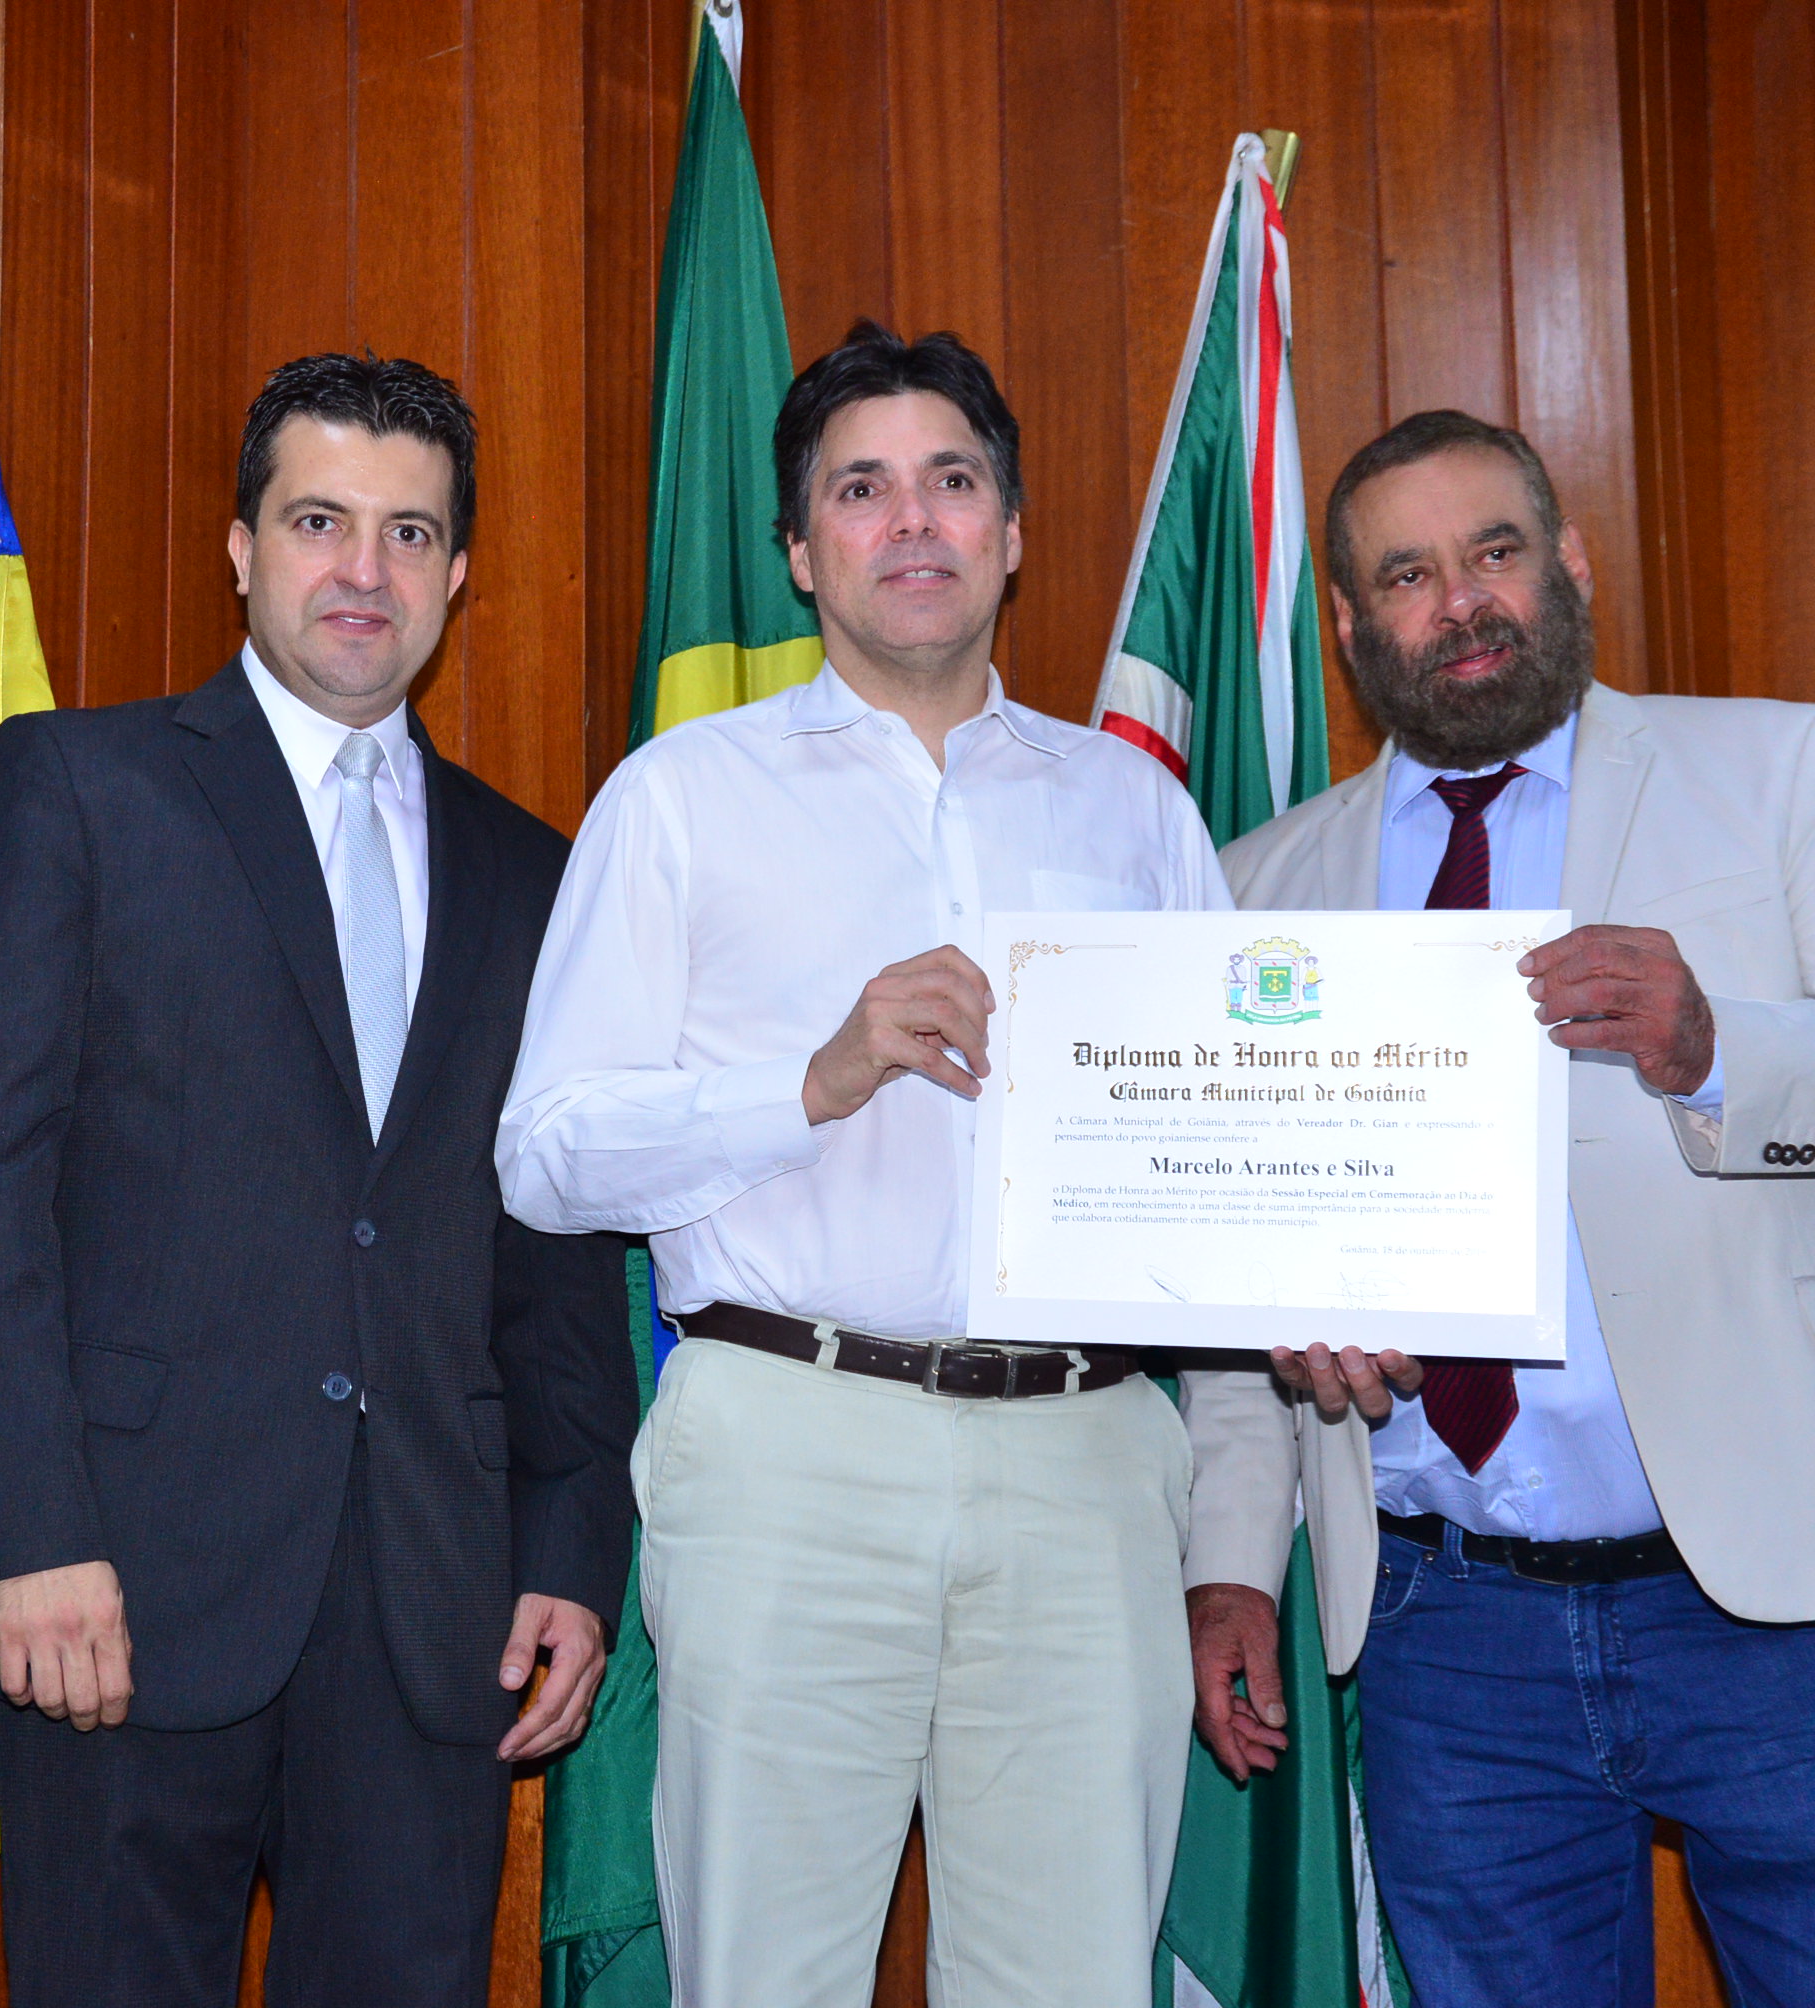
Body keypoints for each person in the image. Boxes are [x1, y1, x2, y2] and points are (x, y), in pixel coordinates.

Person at [1185, 409, 1815, 2005]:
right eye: (1408, 576)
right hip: (1447, 1632)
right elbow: (1236, 1277)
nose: (1461, 601)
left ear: (1568, 560)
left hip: (1784, 1598)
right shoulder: (1256, 886)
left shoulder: (1773, 767)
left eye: (1494, 550)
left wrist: (1718, 1046)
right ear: (1350, 626)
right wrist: (1229, 1556)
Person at [0, 352, 637, 2008]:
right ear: (241, 548)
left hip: (434, 1611)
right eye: (319, 521)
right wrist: (29, 1535)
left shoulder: (533, 870)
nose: (363, 570)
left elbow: (559, 1246)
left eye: (408, 533)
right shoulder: (77, 788)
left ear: (458, 572)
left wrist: (571, 1554)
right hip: (116, 1596)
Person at [499, 321, 1225, 2007]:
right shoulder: (680, 798)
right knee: (766, 1975)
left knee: (1074, 1981)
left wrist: (1323, 1281)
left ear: (1012, 532)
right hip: (788, 1446)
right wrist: (812, 1082)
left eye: (952, 482)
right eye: (861, 488)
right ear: (799, 549)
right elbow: (546, 1158)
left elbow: (1225, 1152)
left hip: (1091, 1456)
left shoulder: (1135, 814)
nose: (912, 521)